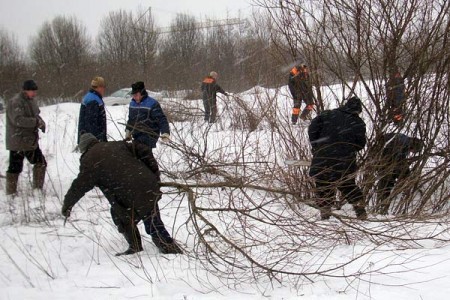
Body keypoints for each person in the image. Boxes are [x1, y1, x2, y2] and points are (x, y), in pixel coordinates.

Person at [61, 133, 183, 255]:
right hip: (146, 184)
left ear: (83, 148)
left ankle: (165, 249)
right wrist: (153, 175)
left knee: (133, 218)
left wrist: (67, 204)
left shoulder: (90, 161)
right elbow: (144, 150)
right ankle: (153, 246)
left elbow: (79, 186)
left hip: (129, 192)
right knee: (142, 216)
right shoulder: (117, 144)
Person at [308, 96, 367, 220]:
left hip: (322, 158)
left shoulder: (328, 114)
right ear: (357, 110)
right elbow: (361, 144)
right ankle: (361, 213)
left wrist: (317, 145)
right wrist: (348, 148)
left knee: (323, 186)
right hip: (344, 161)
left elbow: (312, 128)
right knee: (348, 186)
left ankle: (325, 216)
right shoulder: (358, 122)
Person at [5, 80, 47, 195]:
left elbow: (36, 115)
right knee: (15, 167)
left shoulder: (31, 101)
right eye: (32, 91)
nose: (34, 93)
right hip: (18, 140)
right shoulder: (16, 102)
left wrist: (41, 122)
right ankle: (11, 193)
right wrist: (36, 122)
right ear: (25, 90)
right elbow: (18, 120)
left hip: (29, 141)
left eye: (35, 91)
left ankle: (37, 189)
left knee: (40, 162)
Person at [376, 133, 423, 214]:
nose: (411, 152)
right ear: (413, 145)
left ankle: (383, 208)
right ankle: (382, 209)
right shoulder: (402, 142)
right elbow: (397, 159)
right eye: (413, 150)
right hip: (386, 166)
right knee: (386, 186)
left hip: (386, 164)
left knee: (385, 187)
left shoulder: (403, 139)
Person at [125, 81, 170, 147]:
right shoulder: (132, 104)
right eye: (133, 95)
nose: (134, 97)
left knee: (142, 149)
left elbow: (161, 119)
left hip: (150, 135)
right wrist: (128, 130)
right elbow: (131, 119)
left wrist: (165, 132)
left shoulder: (152, 104)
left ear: (142, 93)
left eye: (136, 95)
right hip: (136, 134)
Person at [78, 76, 107, 143]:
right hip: (92, 140)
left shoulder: (90, 96)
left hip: (88, 138)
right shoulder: (93, 100)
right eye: (103, 87)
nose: (104, 89)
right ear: (99, 87)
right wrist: (97, 139)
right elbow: (91, 123)